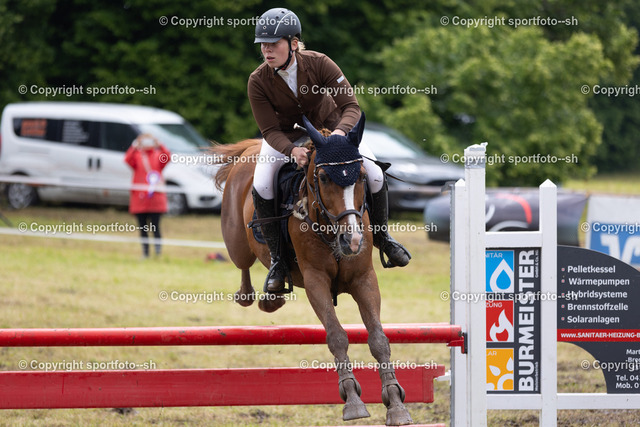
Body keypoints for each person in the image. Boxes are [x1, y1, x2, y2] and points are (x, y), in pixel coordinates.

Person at [248, 7, 411, 292]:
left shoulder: (320, 63)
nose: (267, 50)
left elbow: (351, 107)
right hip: (287, 139)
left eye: (273, 44)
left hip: (334, 130)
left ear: (294, 43)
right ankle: (278, 261)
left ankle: (383, 238)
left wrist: (339, 134)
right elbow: (269, 130)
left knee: (375, 173)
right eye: (263, 45)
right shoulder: (258, 80)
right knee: (262, 184)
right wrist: (291, 151)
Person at [124, 133, 170, 259]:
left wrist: (159, 144)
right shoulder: (137, 155)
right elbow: (127, 159)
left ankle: (158, 253)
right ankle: (145, 253)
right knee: (143, 228)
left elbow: (167, 157)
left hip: (156, 199)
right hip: (140, 199)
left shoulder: (158, 155)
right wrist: (134, 146)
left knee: (155, 227)